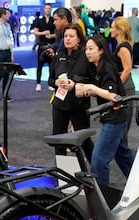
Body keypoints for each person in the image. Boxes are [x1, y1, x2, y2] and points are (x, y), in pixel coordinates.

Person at [76, 35, 134, 187]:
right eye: (86, 49)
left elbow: (113, 96)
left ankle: (101, 197)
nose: (87, 52)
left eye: (91, 49)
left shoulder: (107, 67)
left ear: (101, 50)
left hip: (116, 117)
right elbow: (101, 91)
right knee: (122, 154)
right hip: (112, 116)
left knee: (99, 158)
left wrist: (91, 87)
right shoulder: (97, 67)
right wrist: (87, 91)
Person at [48, 23, 93, 159]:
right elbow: (50, 79)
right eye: (66, 36)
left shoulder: (85, 57)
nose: (67, 39)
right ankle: (63, 176)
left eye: (71, 36)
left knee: (85, 141)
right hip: (59, 104)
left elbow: (91, 80)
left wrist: (75, 84)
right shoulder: (59, 56)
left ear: (79, 39)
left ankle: (98, 173)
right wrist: (55, 82)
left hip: (78, 105)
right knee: (59, 141)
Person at [110, 16, 136, 143]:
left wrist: (117, 86)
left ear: (119, 30)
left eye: (112, 27)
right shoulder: (121, 46)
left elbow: (127, 69)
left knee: (123, 122)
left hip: (125, 86)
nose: (110, 30)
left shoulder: (123, 48)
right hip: (124, 85)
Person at [32, 4, 55, 92]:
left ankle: (50, 83)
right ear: (44, 10)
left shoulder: (54, 20)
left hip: (52, 46)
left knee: (52, 66)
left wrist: (52, 36)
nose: (48, 10)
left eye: (49, 8)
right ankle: (38, 83)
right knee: (40, 65)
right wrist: (44, 33)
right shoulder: (39, 20)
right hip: (42, 46)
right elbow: (35, 32)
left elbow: (59, 33)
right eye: (46, 8)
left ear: (51, 9)